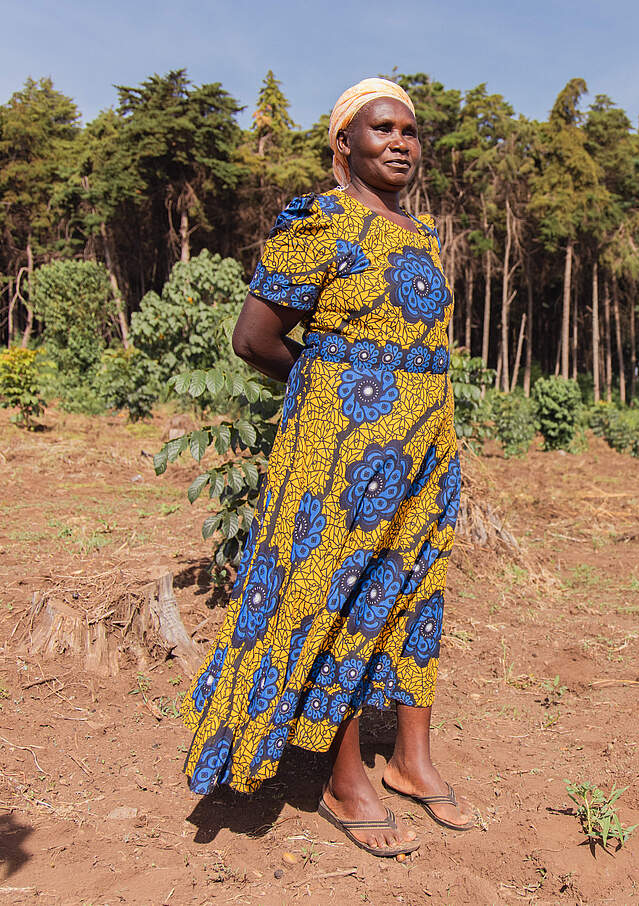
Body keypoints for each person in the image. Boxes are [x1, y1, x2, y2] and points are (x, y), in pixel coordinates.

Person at [180, 77, 473, 857]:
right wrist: (335, 389)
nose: (402, 142)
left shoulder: (423, 235)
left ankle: (412, 760)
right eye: (382, 129)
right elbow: (255, 338)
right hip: (342, 454)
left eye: (411, 131)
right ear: (343, 143)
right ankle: (343, 777)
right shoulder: (322, 220)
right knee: (331, 598)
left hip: (425, 448)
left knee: (413, 594)